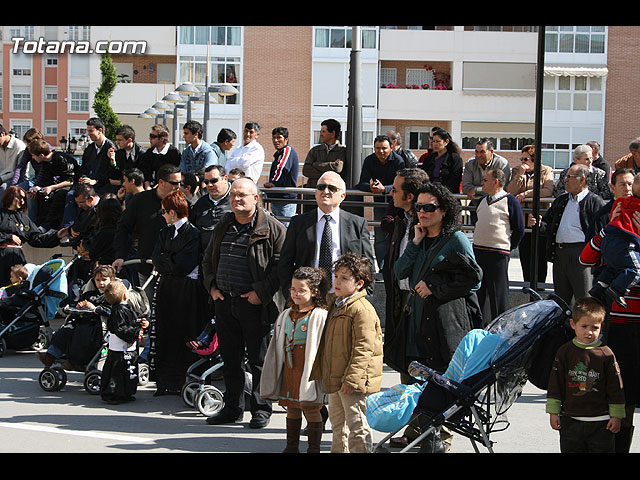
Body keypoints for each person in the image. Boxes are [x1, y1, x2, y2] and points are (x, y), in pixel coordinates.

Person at [391, 181, 482, 452]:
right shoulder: (418, 235)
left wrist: (435, 288)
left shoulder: (456, 239)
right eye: (419, 207)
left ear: (443, 210)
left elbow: (473, 280)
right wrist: (415, 242)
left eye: (429, 207)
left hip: (444, 322)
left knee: (441, 379)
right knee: (414, 377)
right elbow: (399, 271)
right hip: (416, 319)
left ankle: (440, 439)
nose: (422, 212)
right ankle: (417, 432)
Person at [202, 177, 286, 429]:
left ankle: (261, 409)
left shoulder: (272, 228)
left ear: (256, 198)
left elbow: (281, 266)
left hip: (254, 305)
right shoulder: (223, 225)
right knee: (230, 359)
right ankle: (232, 408)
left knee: (259, 360)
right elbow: (207, 259)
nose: (236, 199)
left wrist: (260, 293)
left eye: (243, 195)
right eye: (234, 195)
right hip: (224, 302)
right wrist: (212, 286)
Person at [309, 252, 383, 453]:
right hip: (335, 375)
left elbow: (364, 348)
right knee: (337, 423)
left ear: (359, 283)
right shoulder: (337, 303)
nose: (337, 281)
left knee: (356, 423)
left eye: (344, 278)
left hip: (352, 380)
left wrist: (351, 379)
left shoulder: (361, 309)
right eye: (336, 276)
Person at [261, 266, 329, 453]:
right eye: (293, 289)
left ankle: (313, 448)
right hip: (290, 369)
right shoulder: (286, 314)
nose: (295, 294)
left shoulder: (320, 315)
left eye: (301, 290)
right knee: (292, 407)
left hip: (308, 370)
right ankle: (291, 447)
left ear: (314, 292)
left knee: (311, 409)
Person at [149, 190, 209, 396]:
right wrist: (169, 260)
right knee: (166, 332)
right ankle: (165, 380)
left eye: (165, 211)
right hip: (168, 287)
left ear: (173, 213)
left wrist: (168, 260)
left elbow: (184, 264)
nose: (163, 215)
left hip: (186, 290)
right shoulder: (164, 232)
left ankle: (185, 378)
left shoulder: (192, 233)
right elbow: (157, 257)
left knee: (185, 331)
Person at [546, 297, 625, 453]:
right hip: (570, 420)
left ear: (601, 327)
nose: (589, 332)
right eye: (584, 326)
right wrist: (553, 411)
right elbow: (556, 384)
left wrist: (616, 416)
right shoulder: (565, 351)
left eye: (594, 328)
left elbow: (615, 387)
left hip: (601, 422)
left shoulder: (606, 354)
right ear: (573, 325)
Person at [278, 171, 375, 296]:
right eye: (321, 187)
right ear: (316, 193)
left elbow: (367, 264)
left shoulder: (357, 224)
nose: (326, 191)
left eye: (332, 188)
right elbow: (285, 262)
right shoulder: (299, 222)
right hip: (308, 297)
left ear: (342, 196)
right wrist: (291, 294)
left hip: (345, 298)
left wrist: (365, 294)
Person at [529, 164, 605, 308]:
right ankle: (564, 329)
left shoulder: (594, 202)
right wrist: (539, 224)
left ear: (582, 180)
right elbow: (548, 224)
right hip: (560, 253)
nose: (566, 180)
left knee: (584, 298)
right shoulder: (562, 200)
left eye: (570, 177)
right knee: (561, 299)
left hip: (582, 255)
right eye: (566, 177)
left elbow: (601, 231)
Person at [112, 164, 181, 297]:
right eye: (174, 183)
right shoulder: (140, 200)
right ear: (161, 182)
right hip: (146, 266)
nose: (178, 186)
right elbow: (123, 227)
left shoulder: (183, 203)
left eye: (179, 182)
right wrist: (120, 255)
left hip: (174, 270)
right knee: (147, 309)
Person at [37, 264, 115, 369]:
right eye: (97, 280)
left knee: (81, 332)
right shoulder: (90, 294)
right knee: (65, 330)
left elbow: (112, 311)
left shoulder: (112, 295)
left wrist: (95, 308)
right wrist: (77, 306)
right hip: (84, 320)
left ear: (111, 280)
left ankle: (73, 361)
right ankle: (50, 356)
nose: (101, 283)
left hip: (99, 324)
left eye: (104, 280)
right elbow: (81, 303)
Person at [472, 168, 524, 322]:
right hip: (479, 252)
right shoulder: (482, 201)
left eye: (485, 180)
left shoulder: (510, 200)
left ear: (496, 181)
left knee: (498, 295)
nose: (482, 183)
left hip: (498, 254)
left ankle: (500, 328)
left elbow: (519, 228)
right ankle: (477, 326)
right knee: (478, 293)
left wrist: (508, 246)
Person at [588, 172, 640, 308]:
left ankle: (601, 285)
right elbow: (589, 255)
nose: (627, 188)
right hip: (615, 298)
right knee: (635, 269)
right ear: (612, 188)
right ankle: (615, 289)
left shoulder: (620, 205)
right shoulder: (604, 213)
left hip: (613, 252)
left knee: (614, 265)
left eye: (630, 184)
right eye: (623, 184)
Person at [505, 144, 554, 286]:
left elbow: (547, 190)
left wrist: (526, 194)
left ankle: (540, 285)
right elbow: (510, 190)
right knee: (525, 256)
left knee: (540, 257)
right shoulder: (516, 171)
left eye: (526, 158)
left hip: (538, 220)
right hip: (522, 219)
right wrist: (520, 175)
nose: (523, 162)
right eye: (521, 158)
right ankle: (528, 284)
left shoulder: (546, 171)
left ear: (534, 159)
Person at [356, 135, 406, 272]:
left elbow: (403, 182)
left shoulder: (399, 160)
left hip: (398, 203)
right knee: (379, 236)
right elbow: (362, 182)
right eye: (377, 148)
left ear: (391, 147)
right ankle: (383, 270)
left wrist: (385, 189)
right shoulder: (370, 160)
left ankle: (395, 268)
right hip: (379, 204)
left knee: (398, 235)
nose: (381, 151)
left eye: (384, 148)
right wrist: (371, 188)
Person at [101, 280, 148, 405]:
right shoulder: (118, 311)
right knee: (118, 372)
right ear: (125, 296)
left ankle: (127, 392)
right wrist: (135, 332)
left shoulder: (125, 309)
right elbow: (121, 328)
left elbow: (130, 323)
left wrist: (140, 323)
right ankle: (114, 393)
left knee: (128, 370)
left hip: (128, 347)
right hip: (120, 349)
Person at [0, 186, 59, 286]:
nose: (22, 201)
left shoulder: (24, 218)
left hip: (17, 258)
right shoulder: (1, 214)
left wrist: (57, 236)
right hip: (2, 256)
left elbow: (36, 239)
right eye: (19, 197)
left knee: (18, 286)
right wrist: (9, 237)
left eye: (24, 198)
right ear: (11, 196)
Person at [26, 138, 78, 230]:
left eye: (33, 155)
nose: (32, 158)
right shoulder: (46, 163)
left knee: (59, 195)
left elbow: (70, 180)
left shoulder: (60, 158)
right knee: (42, 194)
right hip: (60, 185)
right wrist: (36, 188)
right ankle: (40, 223)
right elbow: (44, 179)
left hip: (74, 185)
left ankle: (48, 225)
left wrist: (52, 187)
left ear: (41, 155)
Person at [461, 138, 511, 223]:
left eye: (482, 152)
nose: (478, 155)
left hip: (497, 207)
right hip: (476, 206)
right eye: (476, 152)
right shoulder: (470, 164)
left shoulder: (502, 164)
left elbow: (500, 188)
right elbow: (465, 187)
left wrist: (475, 190)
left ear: (491, 152)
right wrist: (488, 188)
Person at [190, 165, 232, 252]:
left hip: (228, 257)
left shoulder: (237, 201)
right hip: (204, 257)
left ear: (225, 179)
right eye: (206, 182)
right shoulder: (200, 203)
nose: (209, 185)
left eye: (214, 181)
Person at [264, 127, 299, 226]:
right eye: (273, 138)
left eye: (279, 137)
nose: (275, 140)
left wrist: (273, 183)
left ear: (286, 139)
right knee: (278, 232)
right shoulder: (278, 154)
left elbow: (282, 168)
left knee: (284, 232)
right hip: (277, 199)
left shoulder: (287, 150)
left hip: (286, 200)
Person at [302, 119, 346, 189]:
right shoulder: (315, 150)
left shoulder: (342, 151)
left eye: (323, 132)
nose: (321, 134)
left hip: (331, 194)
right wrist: (329, 174)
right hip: (312, 193)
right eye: (321, 131)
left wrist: (316, 164)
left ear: (332, 134)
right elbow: (306, 170)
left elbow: (337, 168)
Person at [417, 128, 463, 194]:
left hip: (448, 194)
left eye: (438, 141)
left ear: (446, 142)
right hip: (430, 194)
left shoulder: (455, 159)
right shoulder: (428, 159)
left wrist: (441, 191)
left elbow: (455, 180)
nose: (435, 144)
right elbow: (424, 178)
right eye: (433, 141)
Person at [79, 117, 117, 195]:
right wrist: (83, 177)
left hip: (104, 187)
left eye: (91, 131)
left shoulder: (111, 147)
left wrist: (96, 181)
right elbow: (84, 167)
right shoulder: (89, 149)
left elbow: (112, 172)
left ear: (100, 130)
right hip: (88, 186)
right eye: (88, 131)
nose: (88, 134)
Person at [0, 124, 26, 196]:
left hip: (15, 179)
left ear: (2, 134)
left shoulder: (19, 146)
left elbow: (20, 171)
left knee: (3, 188)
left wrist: (2, 178)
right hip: (2, 178)